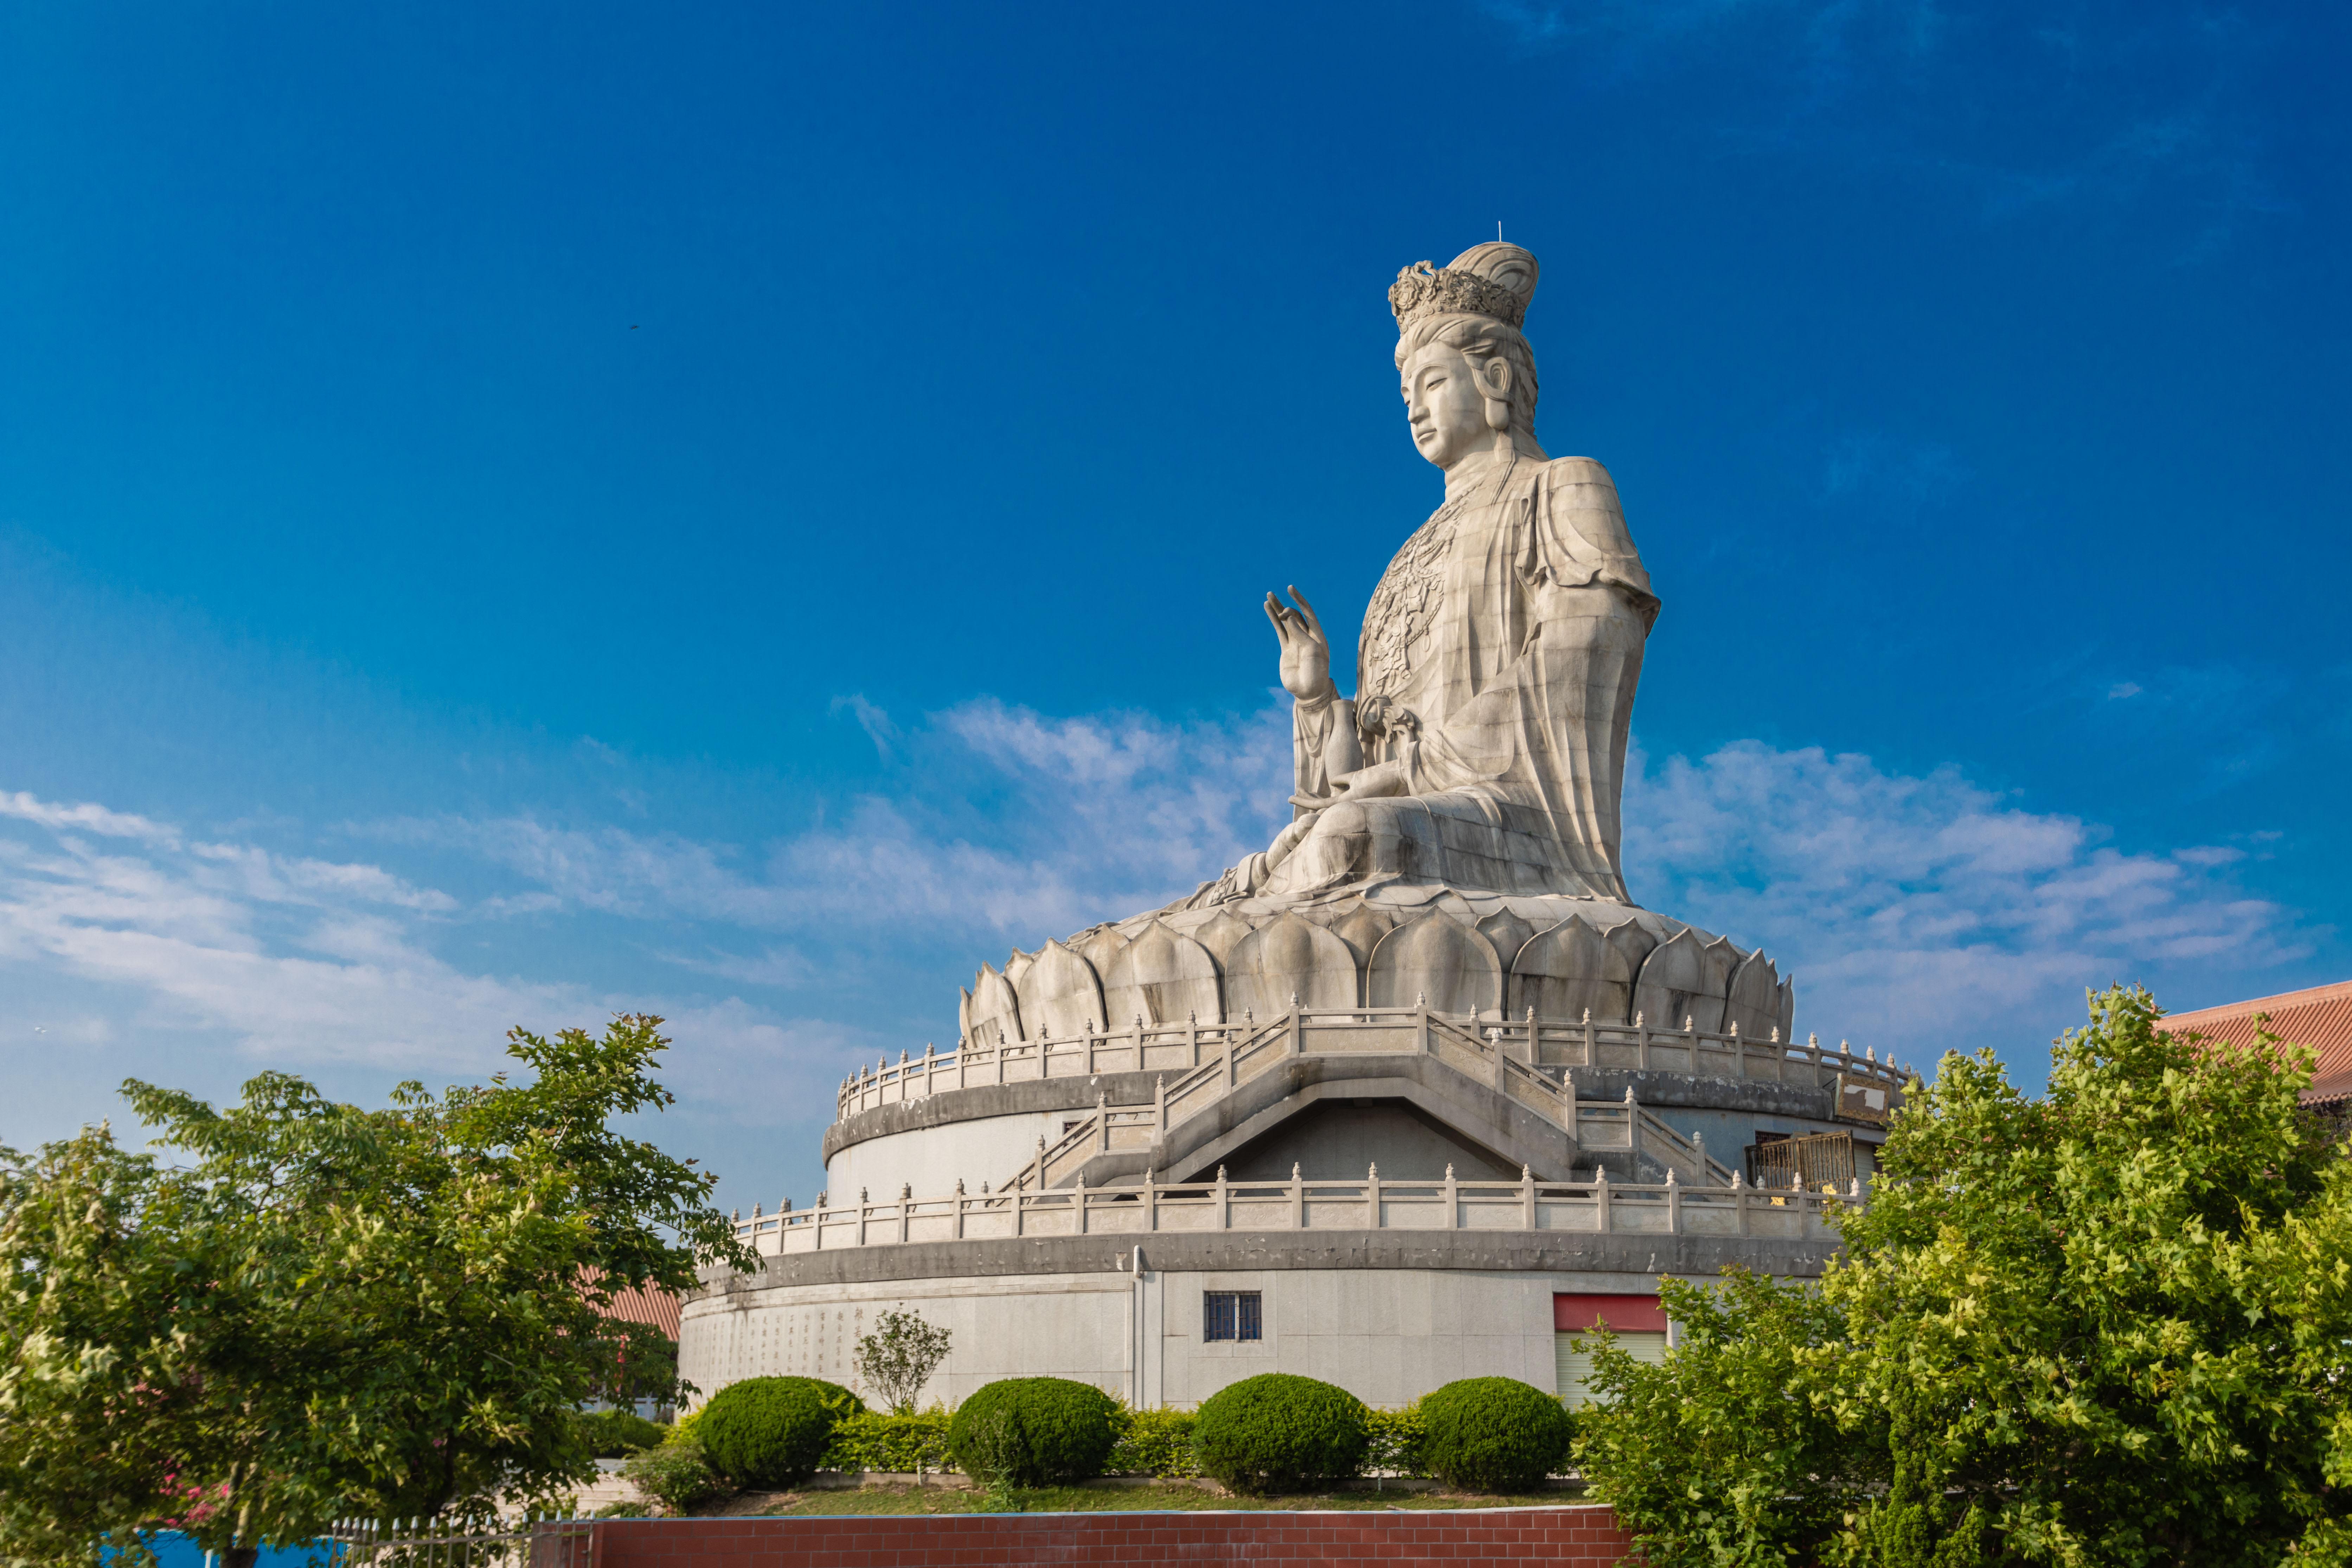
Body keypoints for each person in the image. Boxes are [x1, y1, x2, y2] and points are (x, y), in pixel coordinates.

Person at [1210, 242, 1660, 904]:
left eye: (1432, 384)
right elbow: (1362, 770)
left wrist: (1418, 770)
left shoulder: (1561, 486)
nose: (1413, 410)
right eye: (1405, 394)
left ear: (1495, 379)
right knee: (1248, 884)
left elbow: (1580, 659)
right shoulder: (1409, 553)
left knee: (1348, 841)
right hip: (1408, 810)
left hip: (1512, 818)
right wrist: (1317, 703)